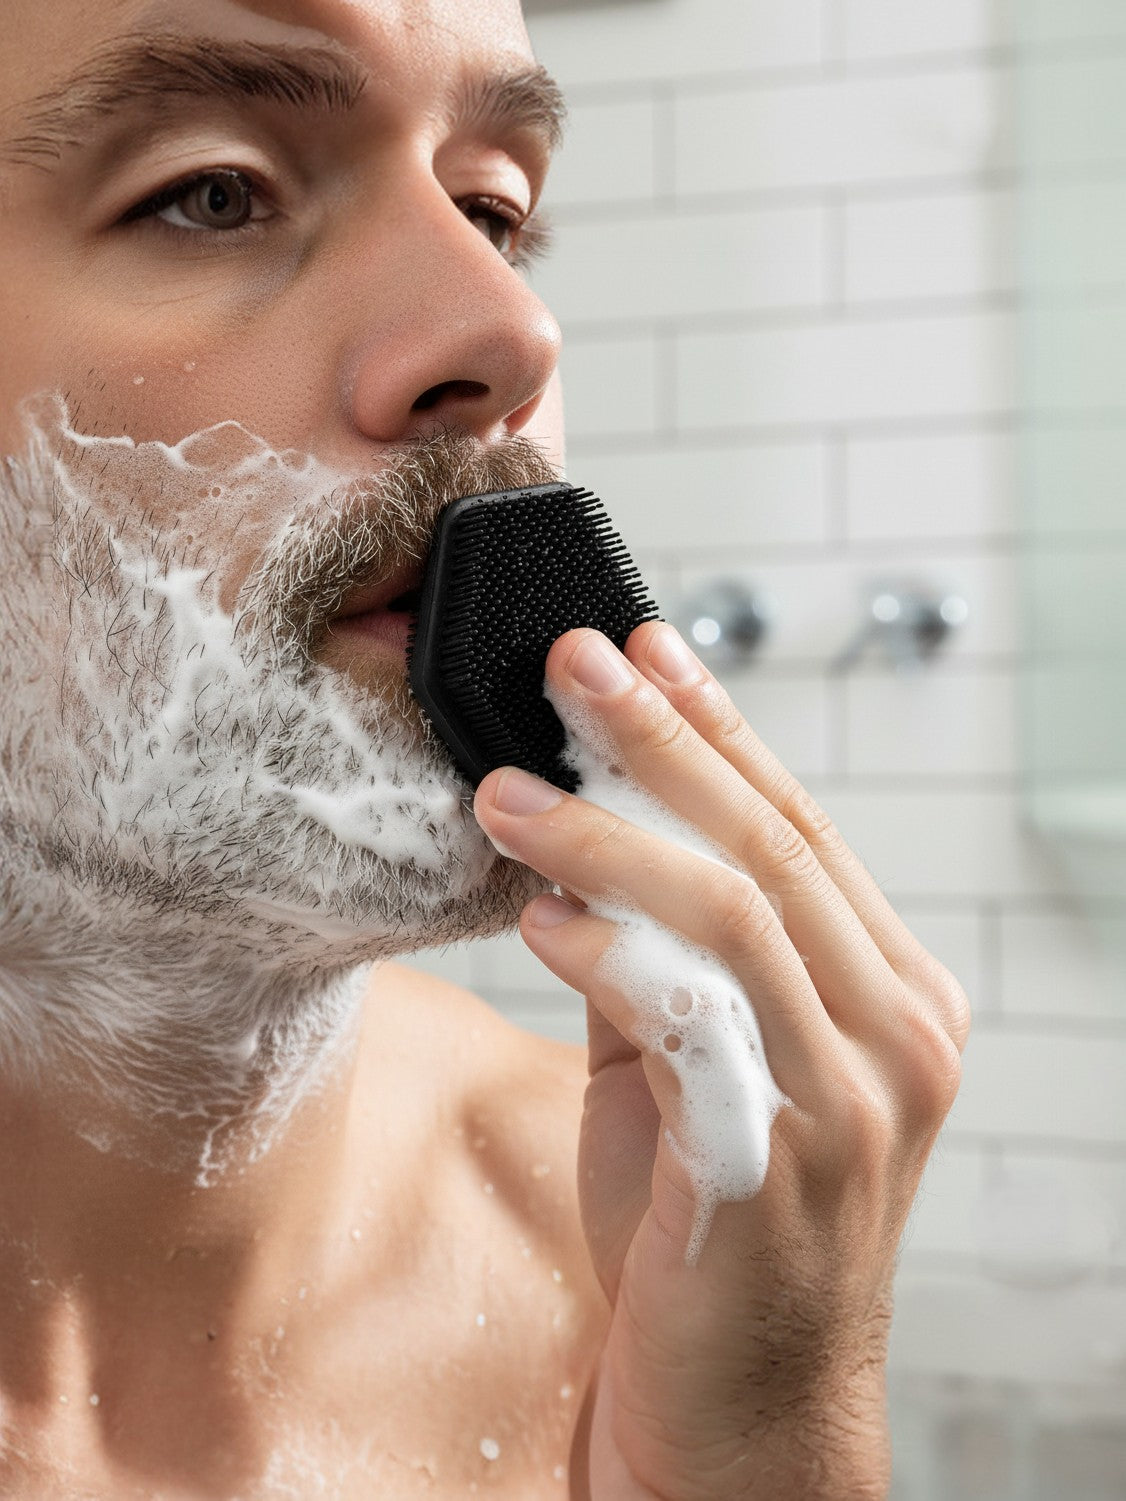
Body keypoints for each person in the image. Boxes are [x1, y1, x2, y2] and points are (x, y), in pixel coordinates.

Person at [0, 0, 971, 1495]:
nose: (510, 333)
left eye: (491, 210)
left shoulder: (666, 1256)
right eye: (213, 192)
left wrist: (782, 1447)